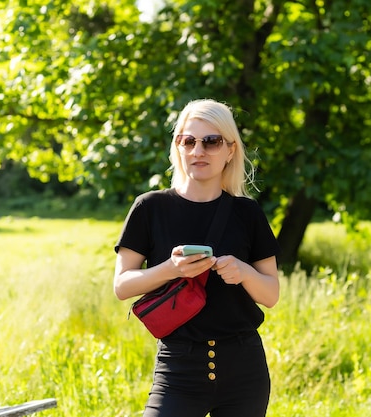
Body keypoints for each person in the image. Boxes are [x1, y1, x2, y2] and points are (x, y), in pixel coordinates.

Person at [113, 98, 280, 417]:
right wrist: (170, 269)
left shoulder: (248, 213)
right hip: (178, 370)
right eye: (187, 140)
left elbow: (271, 295)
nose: (198, 150)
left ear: (230, 149)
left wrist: (243, 272)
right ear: (177, 147)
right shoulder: (149, 208)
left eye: (211, 141)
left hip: (244, 370)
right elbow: (122, 285)